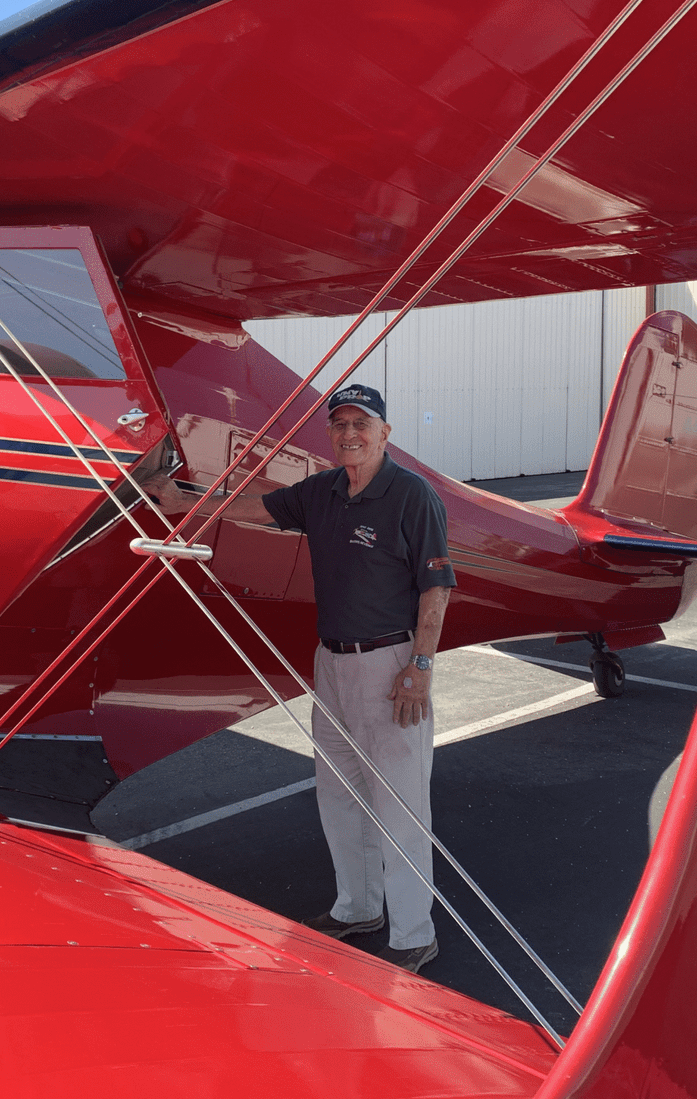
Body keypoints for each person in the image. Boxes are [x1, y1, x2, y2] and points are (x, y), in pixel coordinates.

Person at [145, 383, 455, 973]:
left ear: (385, 432)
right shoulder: (323, 492)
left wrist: (420, 667)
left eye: (361, 423)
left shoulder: (411, 496)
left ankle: (414, 934)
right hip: (331, 662)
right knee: (339, 794)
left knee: (400, 804)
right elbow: (251, 504)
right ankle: (357, 907)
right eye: (339, 425)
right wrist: (180, 498)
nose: (349, 435)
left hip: (390, 665)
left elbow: (435, 586)